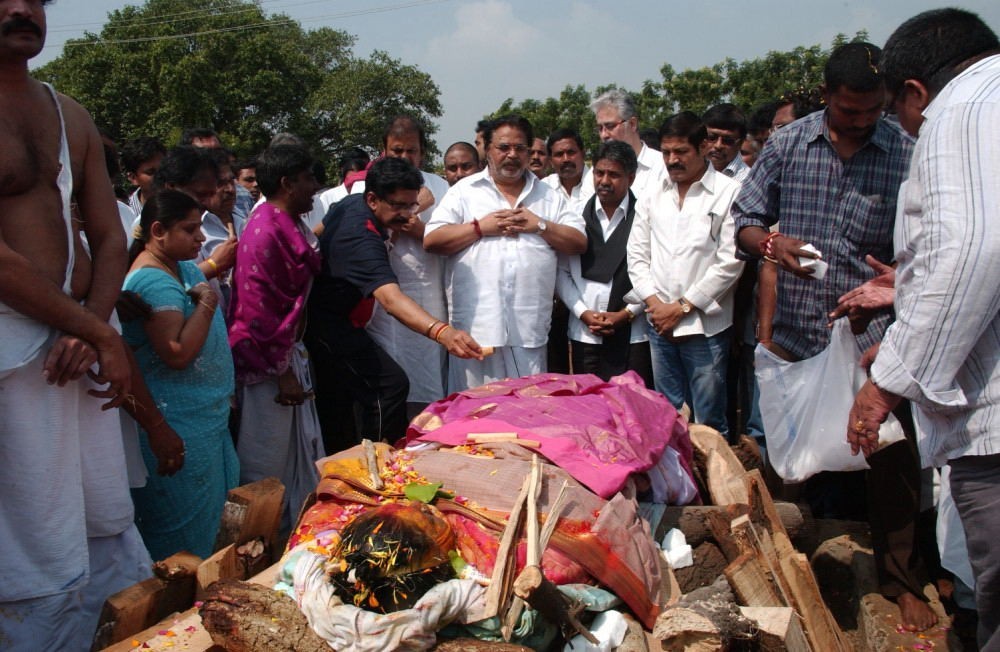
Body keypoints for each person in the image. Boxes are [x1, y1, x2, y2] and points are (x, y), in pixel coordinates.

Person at [734, 42, 936, 630]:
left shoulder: (905, 152)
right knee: (790, 461)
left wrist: (899, 285)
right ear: (826, 100)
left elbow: (927, 249)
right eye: (851, 111)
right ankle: (780, 567)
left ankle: (901, 578)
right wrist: (774, 246)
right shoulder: (788, 144)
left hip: (875, 337)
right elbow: (744, 221)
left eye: (874, 110)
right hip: (797, 331)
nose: (864, 121)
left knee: (891, 459)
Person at [845, 9, 1000, 646]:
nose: (899, 126)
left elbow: (971, 251)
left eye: (894, 110)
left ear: (914, 91)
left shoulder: (959, 113)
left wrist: (889, 380)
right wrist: (905, 290)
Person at [0, 0, 138, 645]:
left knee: (99, 525)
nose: (22, 9)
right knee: (29, 551)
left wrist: (90, 326)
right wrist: (99, 332)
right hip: (12, 354)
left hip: (75, 351)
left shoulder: (68, 113)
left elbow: (110, 236)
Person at [306, 157, 481, 449]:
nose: (406, 215)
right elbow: (391, 298)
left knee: (341, 405)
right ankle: (377, 464)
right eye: (398, 206)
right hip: (328, 324)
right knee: (387, 387)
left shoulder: (353, 204)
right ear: (373, 199)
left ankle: (352, 465)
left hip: (340, 317)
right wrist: (443, 332)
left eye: (410, 205)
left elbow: (320, 228)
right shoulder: (361, 238)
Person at [424, 115, 586, 391]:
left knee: (526, 417)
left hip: (529, 331)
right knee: (474, 418)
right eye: (503, 147)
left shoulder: (548, 195)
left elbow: (579, 242)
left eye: (520, 148)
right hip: (475, 335)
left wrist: (540, 225)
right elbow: (433, 239)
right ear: (487, 150)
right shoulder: (464, 192)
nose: (512, 155)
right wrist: (480, 228)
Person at [123, 189, 239, 560]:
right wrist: (206, 304)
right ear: (158, 230)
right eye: (190, 230)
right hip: (179, 424)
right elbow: (176, 353)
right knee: (187, 541)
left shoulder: (182, 266)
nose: (201, 238)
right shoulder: (151, 281)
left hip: (207, 419)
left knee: (217, 523)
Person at [628, 112, 744, 437]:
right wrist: (656, 305)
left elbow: (731, 261)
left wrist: (681, 307)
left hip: (705, 327)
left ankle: (710, 486)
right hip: (660, 326)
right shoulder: (652, 193)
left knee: (708, 422)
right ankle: (679, 486)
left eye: (681, 152)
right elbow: (636, 256)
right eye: (666, 152)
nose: (672, 160)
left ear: (704, 147)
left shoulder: (728, 192)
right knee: (667, 418)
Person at [229, 144, 324, 532]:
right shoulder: (266, 229)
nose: (316, 188)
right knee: (266, 460)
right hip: (265, 363)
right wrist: (281, 370)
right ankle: (255, 542)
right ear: (287, 183)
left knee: (294, 457)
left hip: (287, 354)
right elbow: (257, 310)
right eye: (309, 179)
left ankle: (291, 532)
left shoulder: (286, 222)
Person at [365, 116, 452, 417]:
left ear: (423, 153)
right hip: (384, 303)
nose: (404, 158)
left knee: (428, 386)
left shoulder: (441, 188)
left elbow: (452, 239)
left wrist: (419, 229)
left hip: (430, 298)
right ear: (383, 150)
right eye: (397, 150)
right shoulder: (369, 190)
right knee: (389, 382)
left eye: (411, 151)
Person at [556, 140, 651, 385]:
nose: (605, 181)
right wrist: (582, 312)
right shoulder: (573, 215)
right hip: (584, 332)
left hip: (634, 334)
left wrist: (627, 313)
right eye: (599, 173)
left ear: (631, 177)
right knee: (589, 409)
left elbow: (654, 271)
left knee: (631, 408)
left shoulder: (645, 215)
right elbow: (561, 272)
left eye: (614, 175)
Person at [591, 89, 665, 196]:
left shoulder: (661, 167)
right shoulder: (594, 174)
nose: (604, 135)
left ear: (632, 124)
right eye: (600, 128)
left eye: (610, 126)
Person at [701, 103, 751, 183]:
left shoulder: (749, 180)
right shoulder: (687, 171)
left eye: (727, 140)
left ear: (740, 143)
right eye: (711, 138)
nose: (718, 145)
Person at [121, 135, 166, 217]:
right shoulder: (124, 214)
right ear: (133, 178)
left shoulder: (185, 207)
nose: (161, 176)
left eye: (163, 169)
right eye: (151, 172)